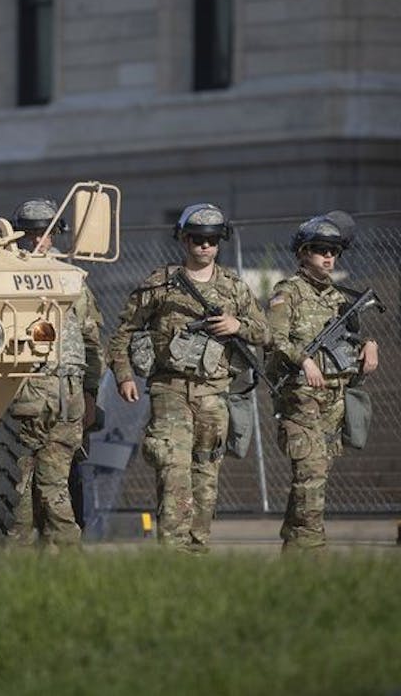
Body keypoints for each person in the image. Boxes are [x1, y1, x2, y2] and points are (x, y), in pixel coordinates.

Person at [107, 203, 268, 550]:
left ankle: (197, 550)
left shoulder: (234, 288)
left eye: (211, 239)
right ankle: (174, 552)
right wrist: (124, 376)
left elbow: (265, 331)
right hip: (170, 390)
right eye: (197, 238)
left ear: (219, 241)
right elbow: (124, 332)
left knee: (206, 477)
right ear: (184, 239)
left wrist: (237, 325)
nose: (204, 245)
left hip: (213, 393)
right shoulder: (161, 283)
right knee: (173, 469)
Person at [265, 212, 379, 551]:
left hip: (334, 396)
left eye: (334, 251)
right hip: (300, 396)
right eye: (320, 250)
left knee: (314, 479)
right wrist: (304, 360)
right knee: (310, 474)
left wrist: (369, 345)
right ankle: (313, 553)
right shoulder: (288, 293)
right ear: (303, 253)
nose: (329, 257)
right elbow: (273, 338)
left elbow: (349, 339)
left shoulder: (338, 297)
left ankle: (295, 552)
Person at [4, 197, 104, 547]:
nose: (37, 240)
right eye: (29, 233)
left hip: (66, 399)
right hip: (19, 401)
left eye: (44, 233)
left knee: (55, 486)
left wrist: (91, 393)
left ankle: (62, 561)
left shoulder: (73, 283)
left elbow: (92, 342)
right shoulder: (2, 277)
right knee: (18, 492)